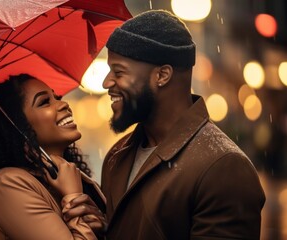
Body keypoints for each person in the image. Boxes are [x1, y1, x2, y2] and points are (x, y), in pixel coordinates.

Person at [98, 9, 266, 239]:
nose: (106, 82)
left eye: (119, 72)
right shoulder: (117, 156)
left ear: (162, 75)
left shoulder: (223, 167)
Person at [0, 74, 106, 240]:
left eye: (56, 97)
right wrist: (73, 198)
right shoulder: (8, 186)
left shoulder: (70, 176)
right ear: (18, 126)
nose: (63, 104)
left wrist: (103, 227)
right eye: (44, 102)